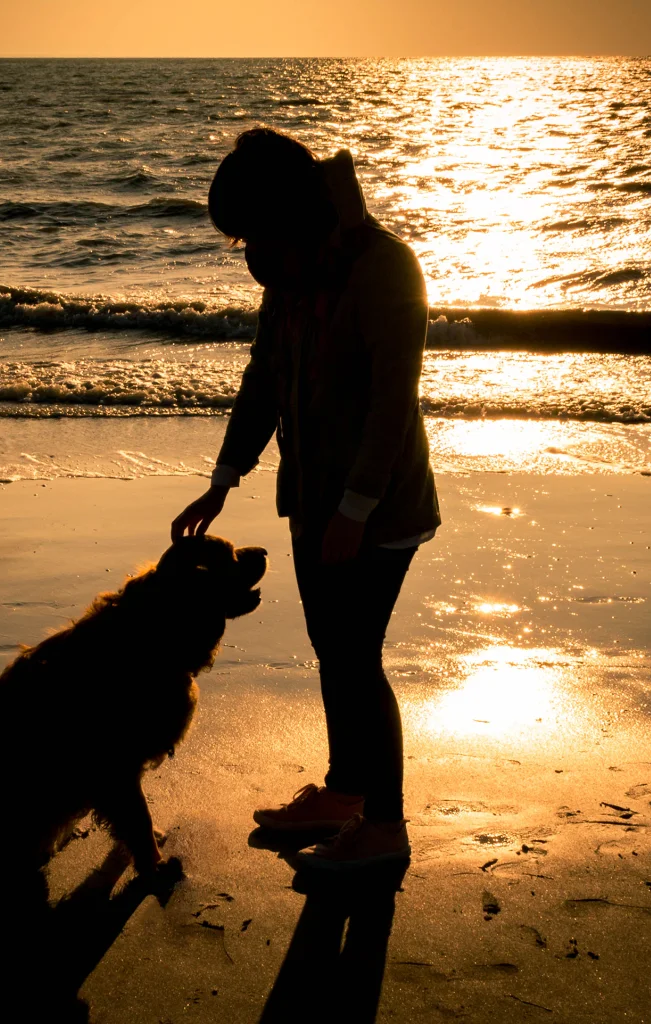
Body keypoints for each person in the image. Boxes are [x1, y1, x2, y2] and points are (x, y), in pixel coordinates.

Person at [171, 128, 440, 870]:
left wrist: (355, 509)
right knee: (333, 651)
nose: (249, 251)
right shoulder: (290, 271)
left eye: (255, 230)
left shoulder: (384, 269)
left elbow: (392, 406)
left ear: (291, 210)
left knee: (356, 657)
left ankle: (384, 829)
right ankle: (346, 791)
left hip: (379, 506)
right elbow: (266, 377)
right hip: (314, 497)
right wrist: (225, 478)